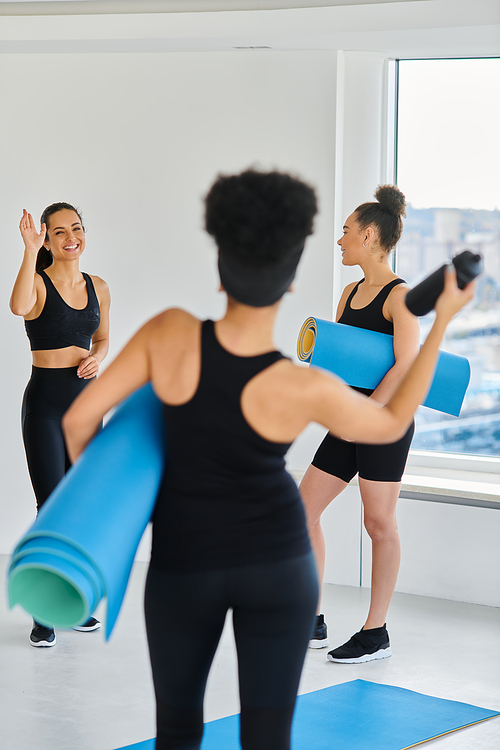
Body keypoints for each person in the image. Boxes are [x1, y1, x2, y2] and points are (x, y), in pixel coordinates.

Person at [62, 170, 472, 750]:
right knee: (266, 733)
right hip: (277, 564)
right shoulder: (300, 387)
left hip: (186, 555)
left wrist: (125, 508)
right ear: (288, 282)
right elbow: (385, 417)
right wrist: (446, 323)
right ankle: (326, 620)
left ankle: (374, 628)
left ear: (221, 260)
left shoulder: (168, 333)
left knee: (176, 727)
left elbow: (78, 421)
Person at [302, 184, 421, 663]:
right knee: (301, 511)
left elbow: (406, 364)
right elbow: (339, 361)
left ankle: (376, 632)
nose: (340, 241)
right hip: (348, 418)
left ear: (370, 235)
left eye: (346, 232)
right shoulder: (350, 293)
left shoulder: (401, 297)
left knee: (378, 522)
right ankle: (310, 619)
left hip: (384, 421)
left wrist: (369, 412)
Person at [10, 203, 110, 648]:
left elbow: (103, 338)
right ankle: (42, 610)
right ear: (47, 239)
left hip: (87, 406)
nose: (71, 237)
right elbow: (17, 308)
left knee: (83, 506)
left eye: (77, 228)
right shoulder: (36, 283)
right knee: (50, 507)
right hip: (47, 406)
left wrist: (98, 357)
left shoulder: (99, 287)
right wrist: (29, 250)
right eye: (58, 231)